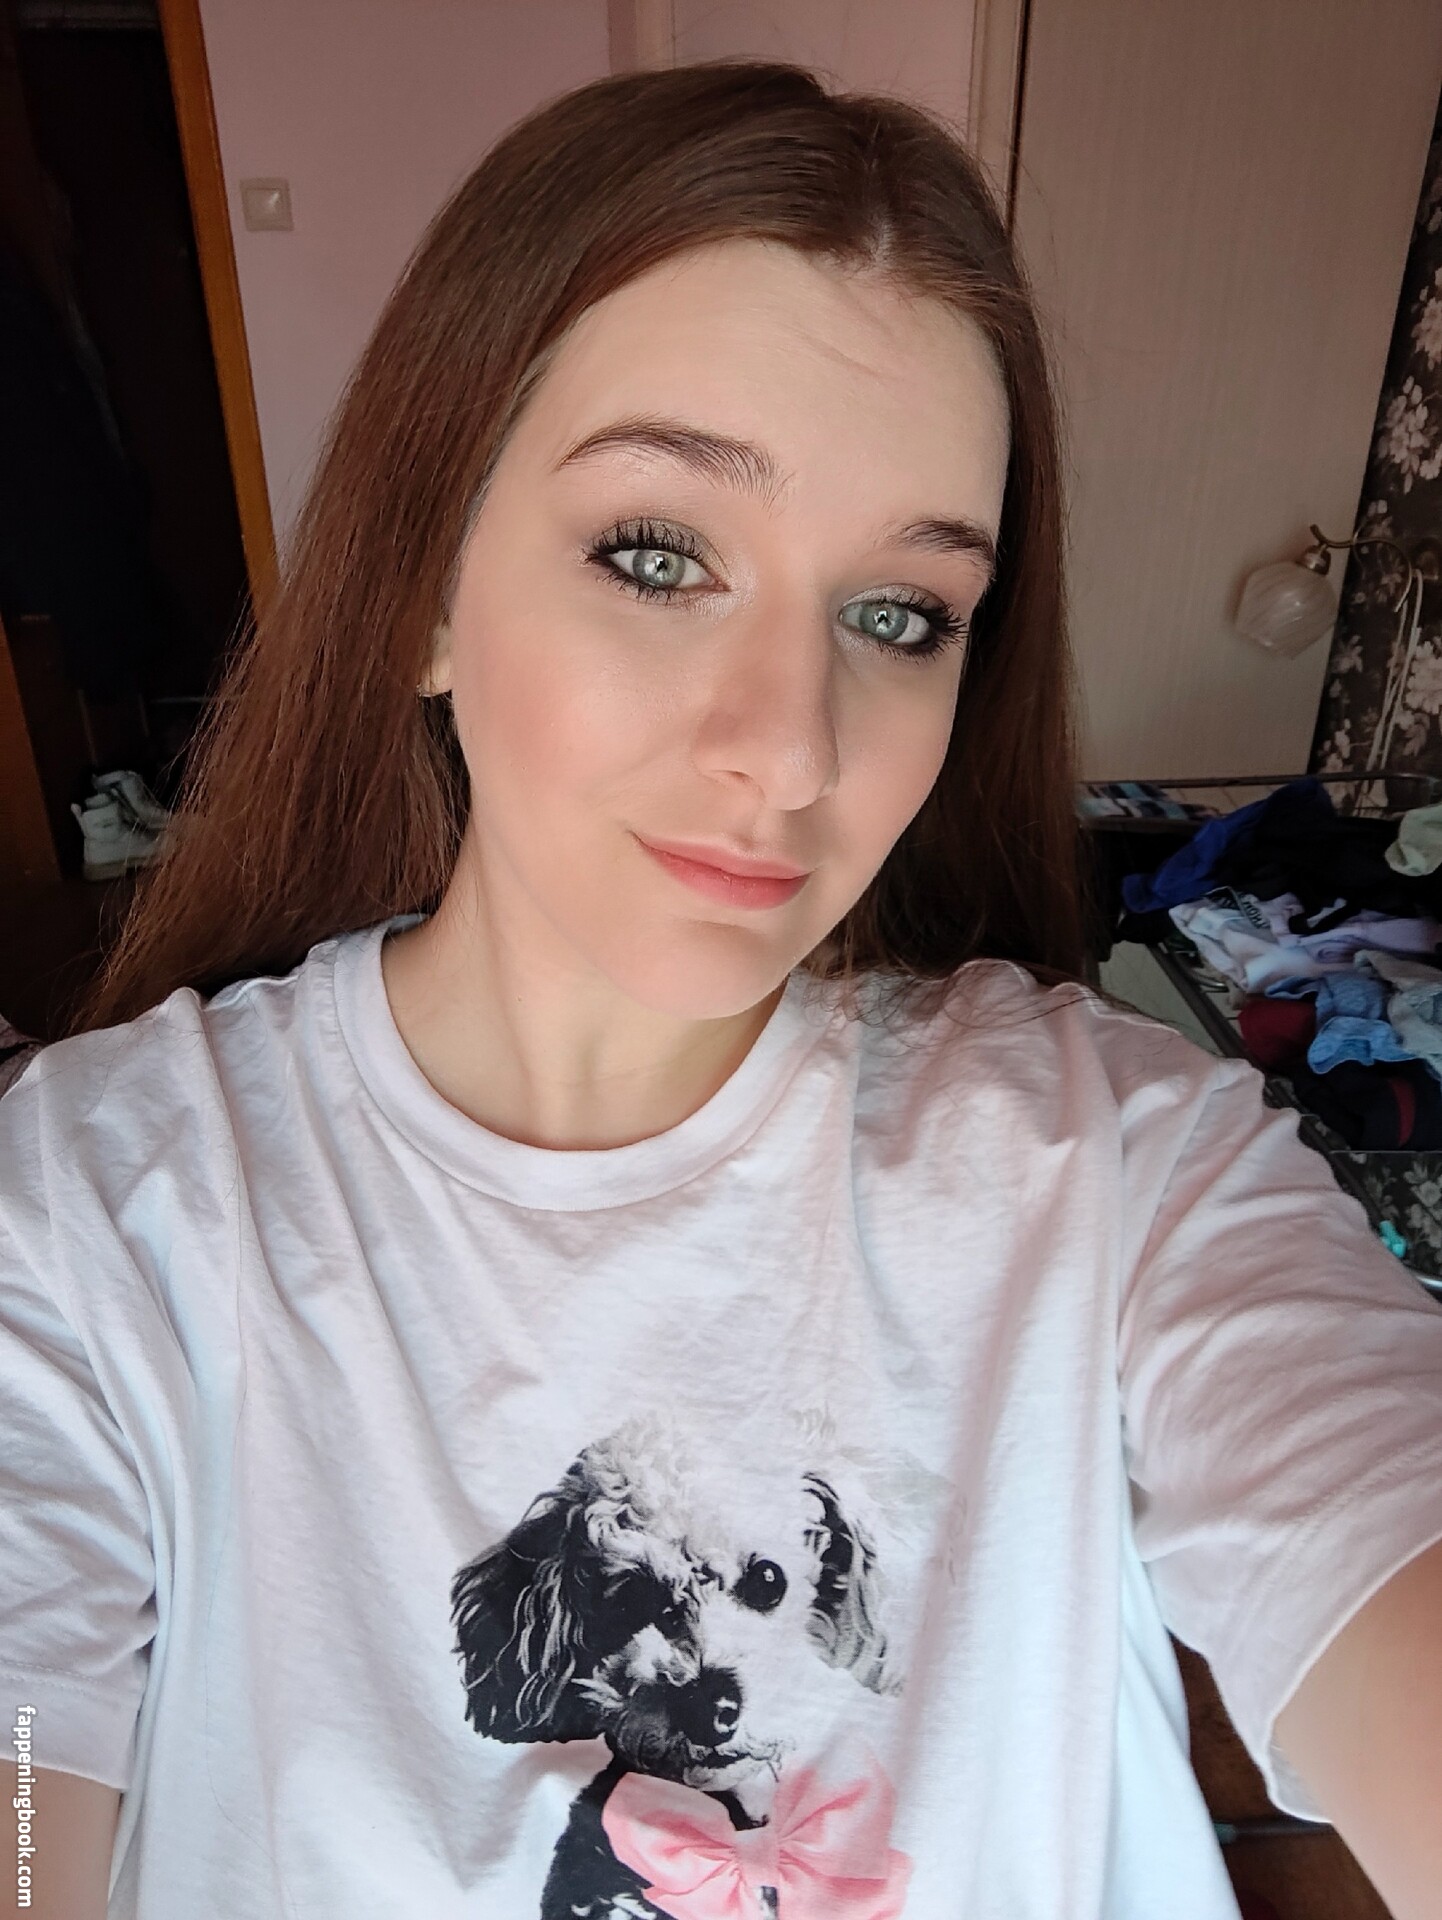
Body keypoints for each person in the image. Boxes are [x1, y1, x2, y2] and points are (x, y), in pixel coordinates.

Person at [1, 57, 1439, 1920]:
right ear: (424, 587)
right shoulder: (93, 1211)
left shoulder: (1120, 1166)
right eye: (658, 556)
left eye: (897, 614)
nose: (791, 749)